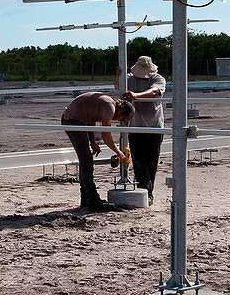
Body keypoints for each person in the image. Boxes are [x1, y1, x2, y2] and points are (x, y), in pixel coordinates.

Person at [61, 91, 134, 212]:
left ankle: (86, 199)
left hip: (77, 120)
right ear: (120, 111)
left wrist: (92, 141)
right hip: (72, 120)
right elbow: (106, 134)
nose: (118, 120)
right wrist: (119, 153)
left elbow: (91, 121)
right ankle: (93, 202)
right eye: (121, 118)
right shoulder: (109, 107)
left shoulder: (105, 104)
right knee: (86, 160)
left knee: (86, 160)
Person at [116, 55, 166, 205]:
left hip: (154, 127)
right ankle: (144, 190)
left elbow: (154, 92)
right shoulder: (130, 79)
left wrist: (136, 96)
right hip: (135, 126)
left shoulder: (158, 79)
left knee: (151, 161)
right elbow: (118, 87)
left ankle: (148, 191)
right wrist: (118, 77)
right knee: (138, 161)